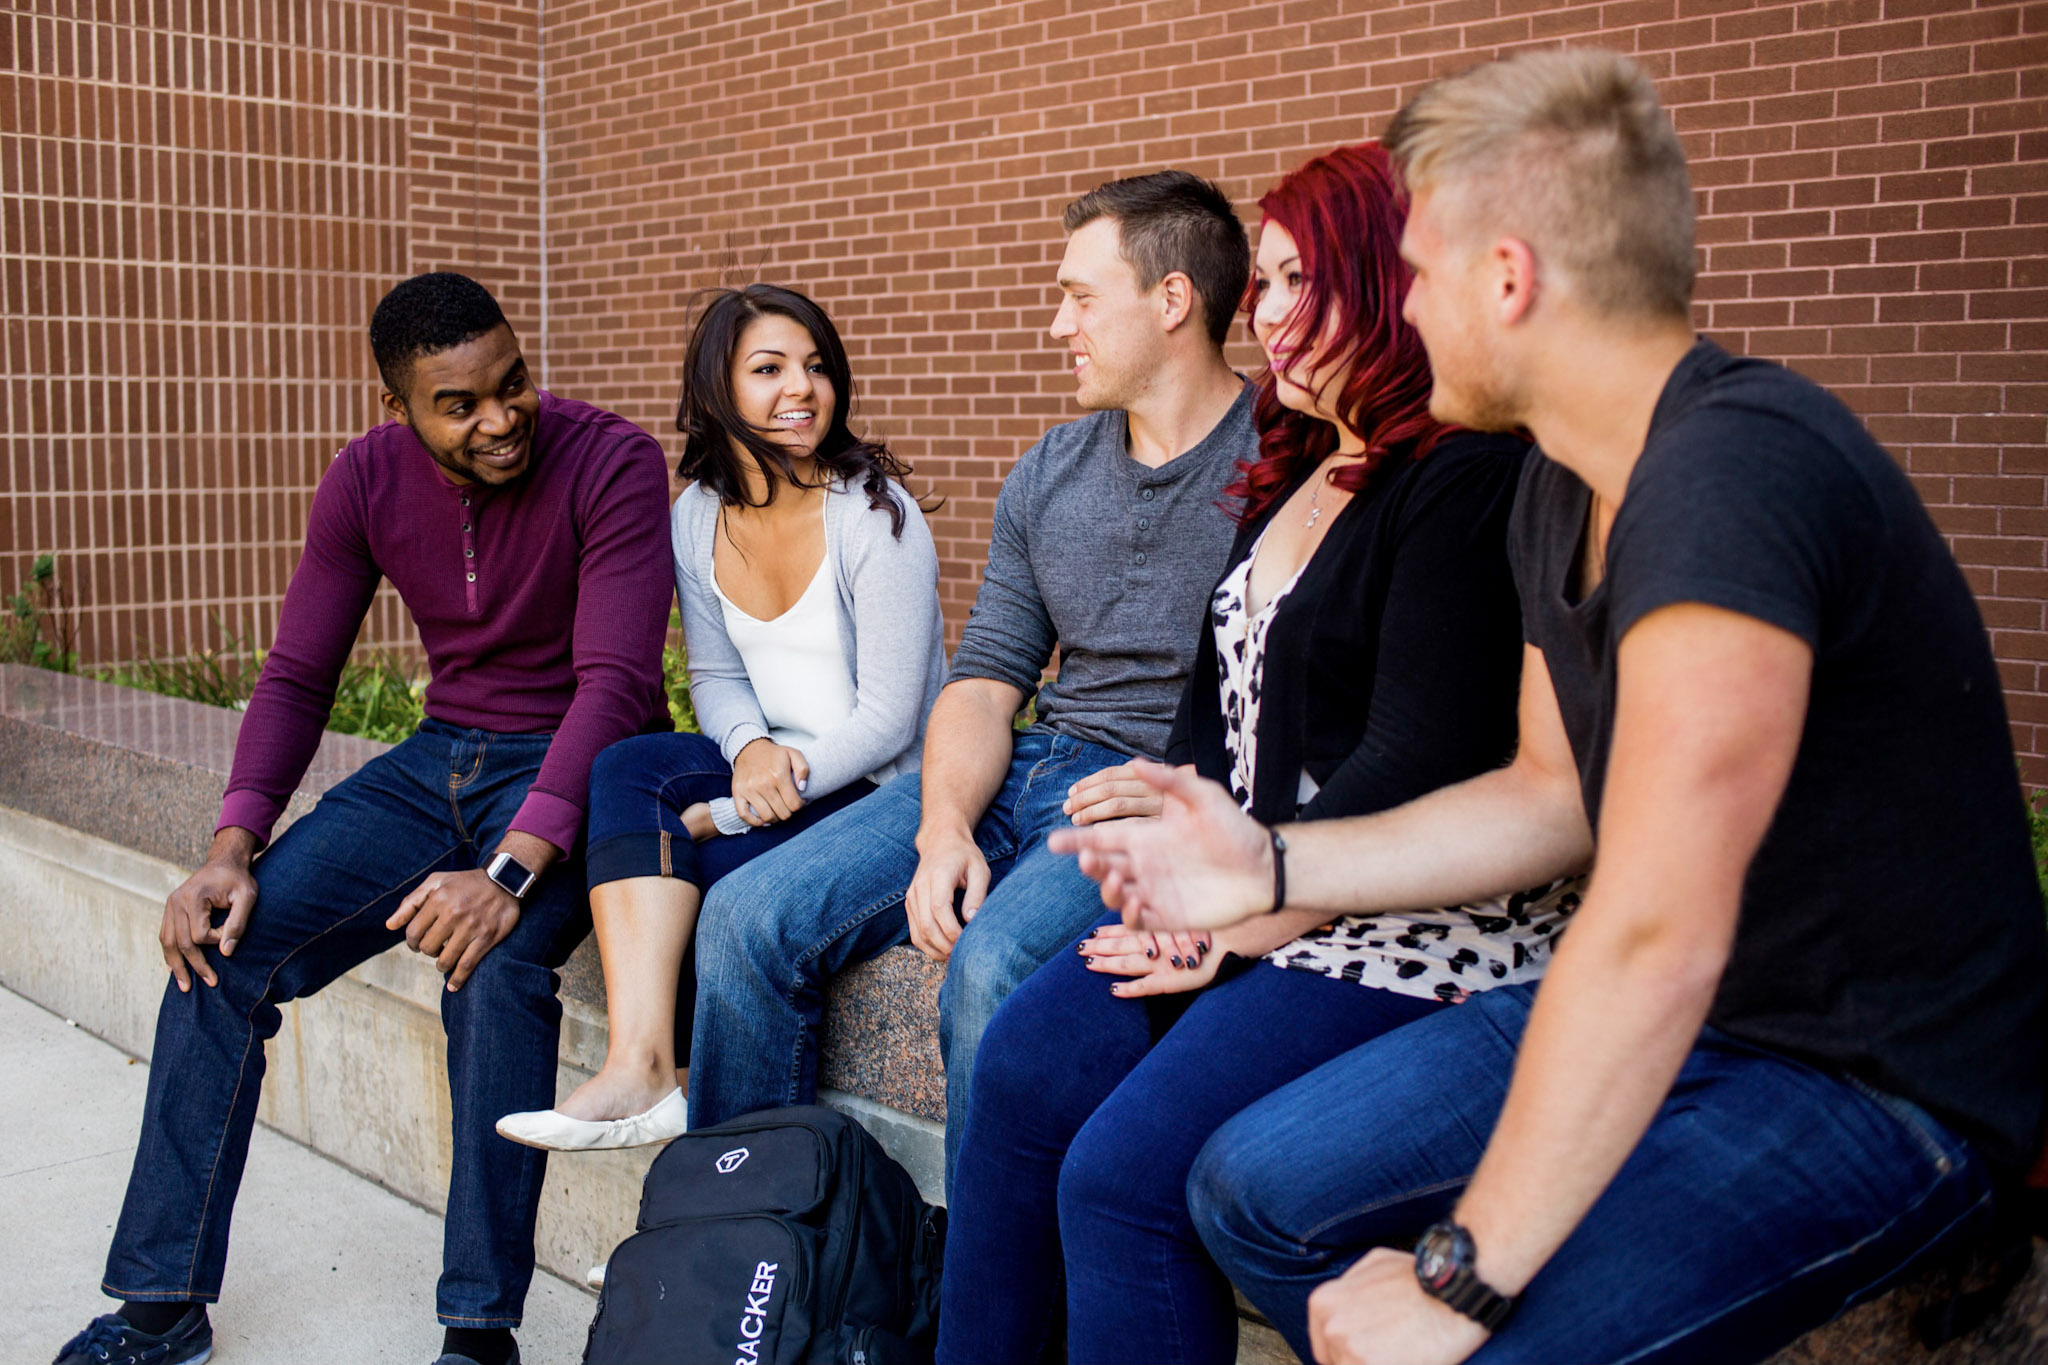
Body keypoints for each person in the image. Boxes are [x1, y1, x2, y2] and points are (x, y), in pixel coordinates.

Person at [1054, 49, 2048, 1365]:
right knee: (1249, 1187)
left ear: (1507, 278)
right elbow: (1547, 793)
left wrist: (1459, 1282)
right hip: (1704, 1012)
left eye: (1411, 271)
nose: (1393, 307)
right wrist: (1269, 863)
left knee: (1486, 1345)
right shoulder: (1552, 486)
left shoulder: (1734, 474)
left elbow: (1652, 935)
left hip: (1872, 1078)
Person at [936, 142, 1572, 1365]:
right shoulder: (1297, 465)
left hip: (1403, 921)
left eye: (1290, 282)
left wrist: (1227, 924)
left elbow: (1420, 756)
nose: (1263, 313)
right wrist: (1158, 833)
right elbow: (1210, 712)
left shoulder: (1463, 474)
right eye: (1264, 282)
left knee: (1122, 1177)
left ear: (1379, 285)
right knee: (1022, 1061)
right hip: (1255, 893)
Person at [55, 273, 673, 1365]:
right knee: (216, 956)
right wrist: (228, 847)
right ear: (399, 408)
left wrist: (512, 874)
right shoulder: (364, 479)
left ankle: (477, 1333)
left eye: (511, 384)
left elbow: (617, 684)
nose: (498, 419)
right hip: (437, 761)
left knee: (494, 972)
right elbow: (298, 674)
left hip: (578, 772)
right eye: (460, 404)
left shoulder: (609, 458)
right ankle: (162, 1303)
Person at [685, 170, 1258, 1185]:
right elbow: (987, 678)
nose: (1055, 324)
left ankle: (987, 1300)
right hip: (1024, 766)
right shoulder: (1048, 469)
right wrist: (943, 824)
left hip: (1149, 796)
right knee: (743, 918)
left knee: (989, 965)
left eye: (1080, 297)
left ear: (1170, 303)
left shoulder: (1277, 471)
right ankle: (739, 1249)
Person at [494, 284, 946, 1152]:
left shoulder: (875, 514)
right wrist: (747, 753)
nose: (802, 389)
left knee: (713, 877)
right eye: (769, 369)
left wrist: (751, 799)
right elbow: (716, 671)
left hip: (881, 798)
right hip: (781, 772)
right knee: (628, 766)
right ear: (718, 389)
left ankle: (714, 1202)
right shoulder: (697, 514)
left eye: (815, 367)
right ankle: (639, 1062)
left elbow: (892, 718)